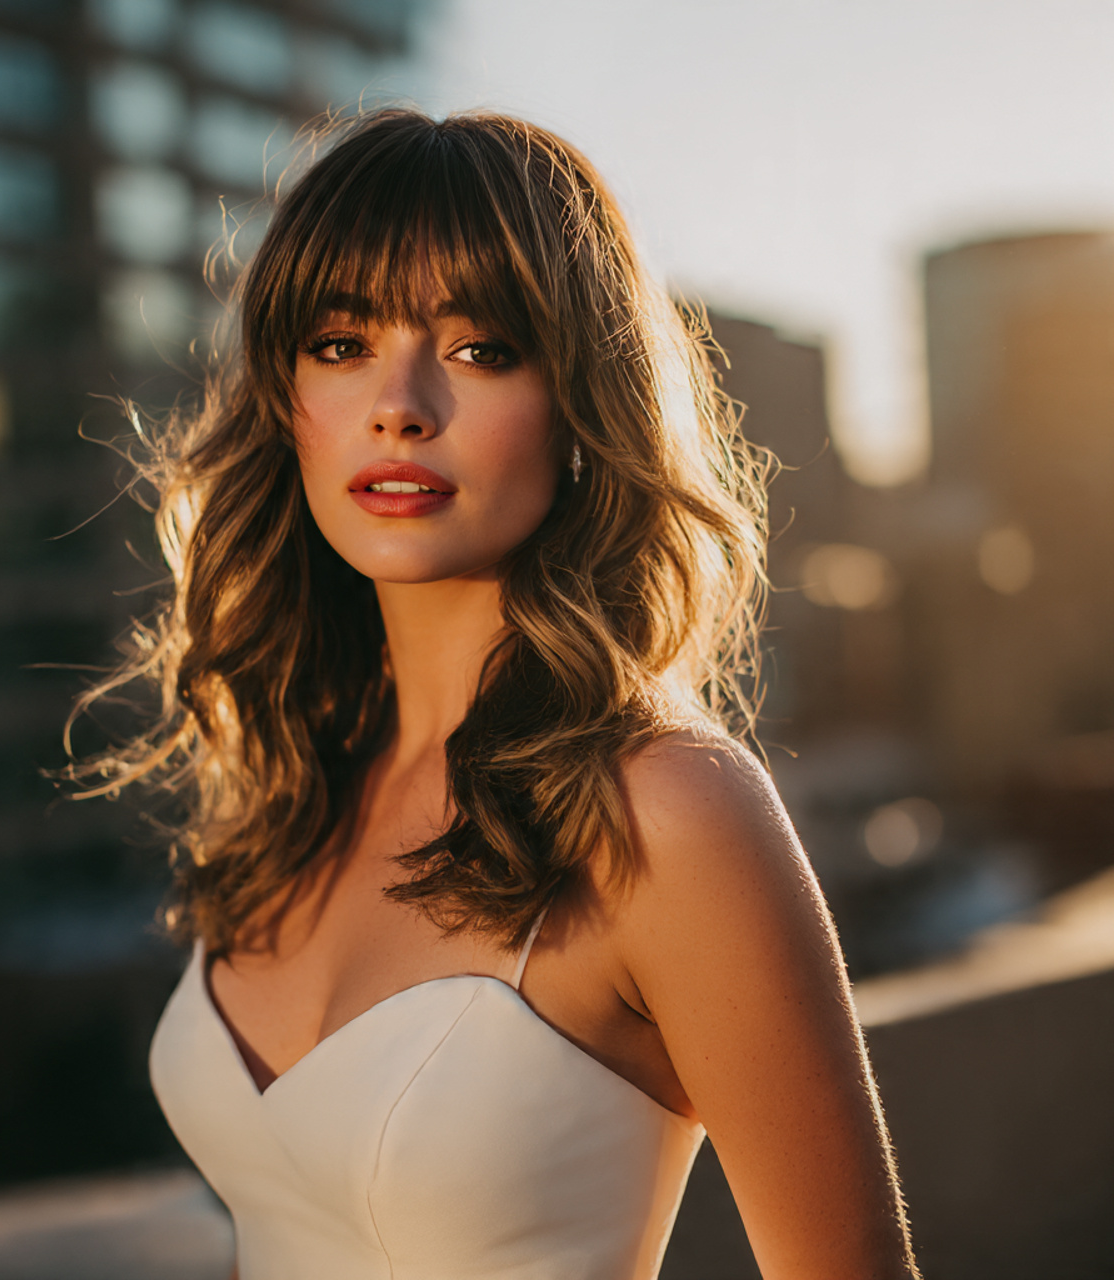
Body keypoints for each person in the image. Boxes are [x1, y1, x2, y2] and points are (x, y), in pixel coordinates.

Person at [70, 109, 920, 1280]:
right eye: (338, 340)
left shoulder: (665, 809)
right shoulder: (305, 767)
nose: (401, 402)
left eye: (480, 348)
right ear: (283, 398)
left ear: (579, 401)